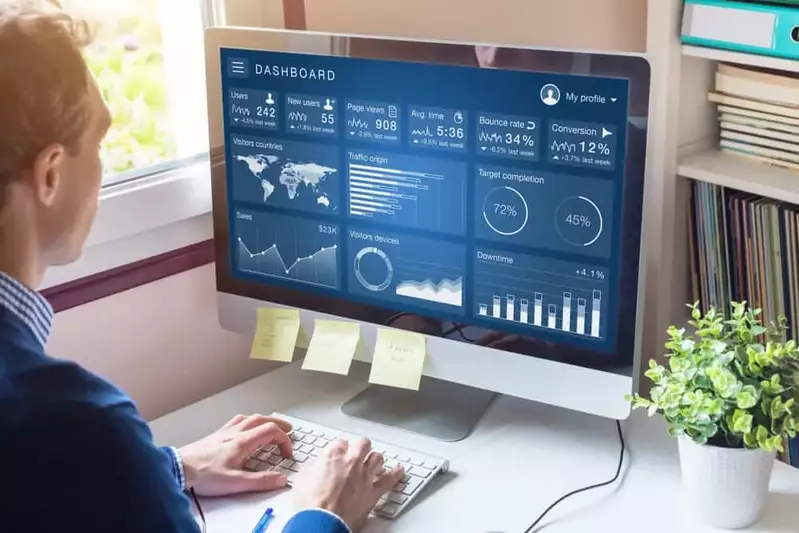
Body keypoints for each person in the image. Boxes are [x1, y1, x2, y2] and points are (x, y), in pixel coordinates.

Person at [0, 2, 404, 532]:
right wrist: (319, 513)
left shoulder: (70, 440)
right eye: (98, 142)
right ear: (50, 173)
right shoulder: (79, 427)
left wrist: (164, 468)